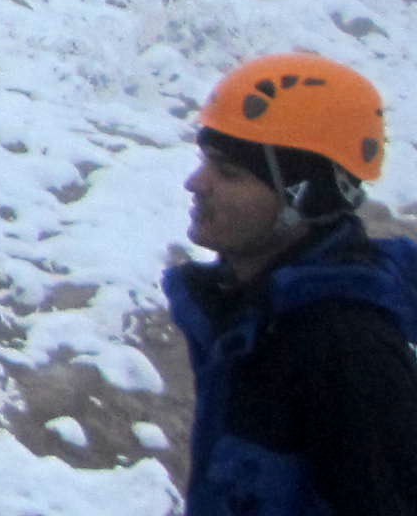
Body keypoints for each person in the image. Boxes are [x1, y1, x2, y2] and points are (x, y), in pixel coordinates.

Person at [167, 52, 417, 515]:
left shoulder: (346, 349)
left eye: (230, 172)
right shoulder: (253, 316)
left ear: (304, 197)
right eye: (205, 161)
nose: (195, 183)